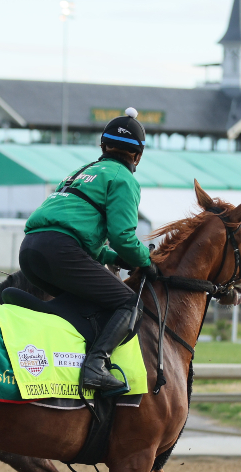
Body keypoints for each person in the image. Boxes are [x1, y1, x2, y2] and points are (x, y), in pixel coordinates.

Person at [19, 108, 154, 392]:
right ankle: (95, 366)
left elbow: (81, 238)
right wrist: (146, 261)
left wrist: (114, 259)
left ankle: (52, 334)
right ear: (138, 156)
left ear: (103, 146)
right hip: (60, 252)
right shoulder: (124, 179)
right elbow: (122, 236)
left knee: (88, 302)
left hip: (31, 250)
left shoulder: (80, 172)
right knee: (129, 304)